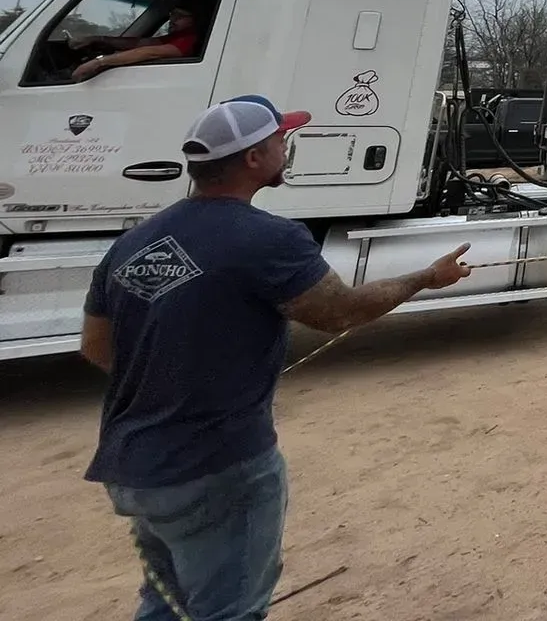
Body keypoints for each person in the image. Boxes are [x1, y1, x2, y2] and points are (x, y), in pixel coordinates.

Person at [80, 95, 473, 621]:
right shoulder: (267, 238)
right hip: (216, 467)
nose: (286, 147)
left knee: (167, 603)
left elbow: (97, 348)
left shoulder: (132, 243)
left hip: (134, 467)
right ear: (252, 158)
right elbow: (339, 313)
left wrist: (177, 373)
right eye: (280, 140)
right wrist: (427, 277)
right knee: (229, 609)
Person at [72, 4, 201, 82]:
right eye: (172, 14)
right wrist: (98, 39)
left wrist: (98, 62)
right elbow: (140, 43)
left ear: (193, 20)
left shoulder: (190, 38)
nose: (172, 19)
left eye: (180, 16)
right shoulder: (177, 36)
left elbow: (149, 52)